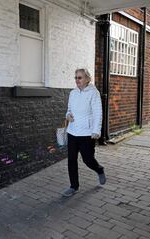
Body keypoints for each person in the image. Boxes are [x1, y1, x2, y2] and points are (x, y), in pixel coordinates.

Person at [62, 68, 106, 197]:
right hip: (72, 131)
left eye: (80, 77)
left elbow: (98, 113)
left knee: (87, 159)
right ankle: (74, 186)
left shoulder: (94, 93)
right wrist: (68, 115)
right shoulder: (73, 93)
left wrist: (96, 130)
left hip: (87, 133)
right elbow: (69, 109)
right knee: (71, 160)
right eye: (76, 77)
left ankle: (99, 169)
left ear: (87, 79)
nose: (77, 80)